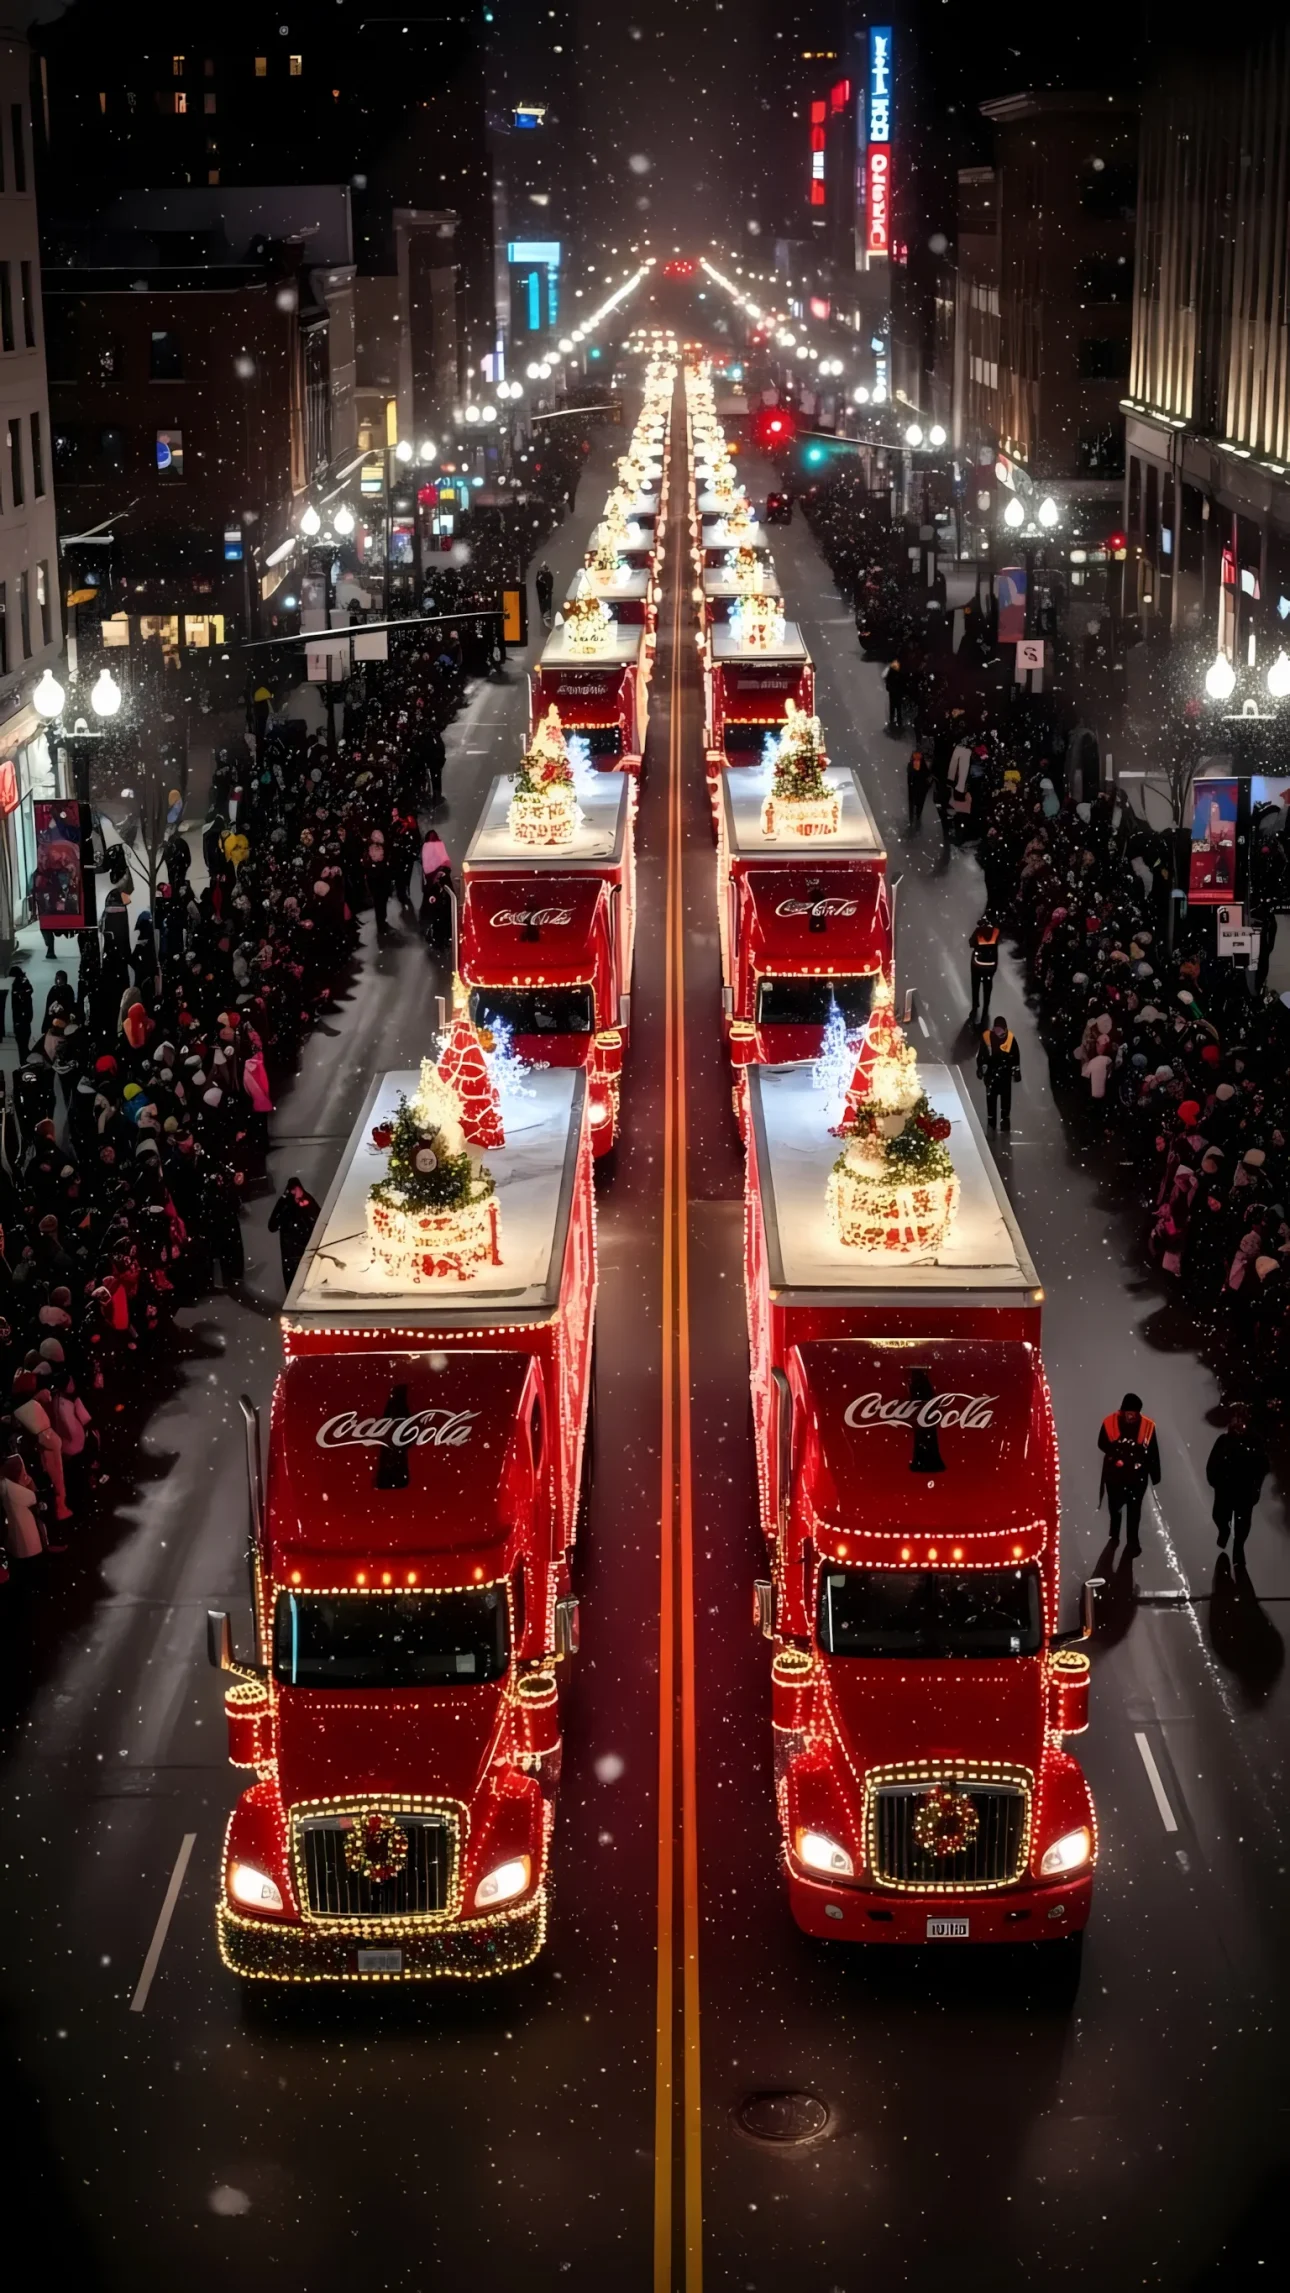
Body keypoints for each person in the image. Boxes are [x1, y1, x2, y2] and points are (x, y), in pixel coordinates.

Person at [1098, 1392, 1162, 1553]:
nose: (1131, 1417)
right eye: (1129, 1413)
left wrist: (1155, 1474)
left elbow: (1153, 1451)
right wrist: (1115, 1457)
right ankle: (1114, 1535)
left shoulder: (1148, 1427)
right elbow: (1102, 1443)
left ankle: (1132, 1541)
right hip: (1115, 1476)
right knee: (1115, 1506)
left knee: (1135, 1509)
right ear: (1122, 1412)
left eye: (1134, 1414)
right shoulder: (1109, 1422)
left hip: (1137, 1477)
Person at [1205, 1405, 1269, 1564]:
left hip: (1245, 1489)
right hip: (1225, 1487)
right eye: (1235, 1419)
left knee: (1243, 1522)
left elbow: (1263, 1466)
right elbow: (1212, 1462)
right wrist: (1214, 1480)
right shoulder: (1223, 1441)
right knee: (1219, 1515)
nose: (1238, 1423)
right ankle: (1224, 1530)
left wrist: (1256, 1487)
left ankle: (1238, 1547)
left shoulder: (1255, 1442)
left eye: (1241, 1420)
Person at [268, 1176, 321, 1295]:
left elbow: (319, 1221)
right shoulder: (285, 1204)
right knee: (295, 1285)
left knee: (306, 1284)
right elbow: (272, 1226)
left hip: (305, 1250)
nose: (295, 1194)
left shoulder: (306, 1201)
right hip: (292, 1252)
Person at [976, 1014, 1020, 1131]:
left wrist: (1016, 1070)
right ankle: (991, 1122)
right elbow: (982, 1055)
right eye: (996, 1028)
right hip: (991, 1076)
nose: (997, 1031)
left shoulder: (1010, 1039)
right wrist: (980, 1067)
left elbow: (1015, 1056)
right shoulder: (987, 1038)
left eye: (1000, 1028)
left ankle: (1005, 1120)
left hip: (1005, 1076)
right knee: (991, 1100)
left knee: (1006, 1100)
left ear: (1004, 1029)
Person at [968, 914, 1001, 1024]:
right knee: (987, 987)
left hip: (977, 965)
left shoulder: (978, 931)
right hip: (990, 966)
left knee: (975, 985)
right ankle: (985, 1008)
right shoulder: (996, 932)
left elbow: (971, 943)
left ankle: (975, 1006)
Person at [906, 747, 933, 832]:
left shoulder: (913, 766)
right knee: (916, 808)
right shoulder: (914, 766)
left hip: (917, 790)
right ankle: (914, 825)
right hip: (917, 790)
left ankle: (914, 824)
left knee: (915, 808)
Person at [9, 965, 33, 1064]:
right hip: (23, 1019)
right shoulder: (23, 982)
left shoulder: (19, 985)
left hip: (21, 1020)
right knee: (23, 1045)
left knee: (22, 1045)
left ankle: (24, 1062)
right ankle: (25, 1060)